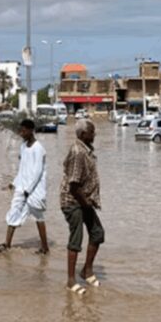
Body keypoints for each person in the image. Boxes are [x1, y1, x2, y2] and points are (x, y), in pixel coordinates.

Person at [61, 119, 105, 295]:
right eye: (92, 132)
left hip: (84, 199)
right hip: (73, 201)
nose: (95, 135)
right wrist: (85, 202)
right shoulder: (78, 152)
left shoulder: (87, 150)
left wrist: (89, 200)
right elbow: (73, 185)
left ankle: (86, 270)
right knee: (76, 239)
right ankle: (71, 281)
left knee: (97, 233)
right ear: (82, 135)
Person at [0, 119, 49, 254]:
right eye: (21, 130)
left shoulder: (39, 149)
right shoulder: (23, 147)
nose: (21, 133)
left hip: (34, 190)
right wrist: (13, 183)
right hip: (21, 187)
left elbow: (37, 172)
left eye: (24, 130)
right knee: (13, 211)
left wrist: (29, 190)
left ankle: (45, 248)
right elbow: (22, 168)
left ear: (31, 130)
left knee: (38, 217)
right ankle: (7, 244)